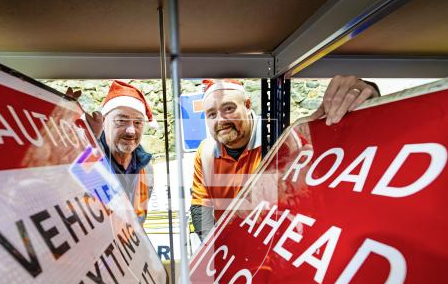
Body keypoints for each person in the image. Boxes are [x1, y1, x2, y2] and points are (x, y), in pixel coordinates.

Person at [190, 76, 380, 239]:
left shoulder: (283, 140)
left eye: (229, 109)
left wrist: (367, 102)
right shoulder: (206, 153)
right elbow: (201, 205)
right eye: (212, 114)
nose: (220, 120)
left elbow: (345, 158)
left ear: (248, 105)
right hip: (234, 251)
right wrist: (213, 250)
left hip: (275, 246)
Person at [70, 81, 156, 223]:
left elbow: (138, 220)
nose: (131, 130)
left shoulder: (146, 168)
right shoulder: (87, 158)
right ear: (104, 122)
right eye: (121, 120)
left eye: (138, 122)